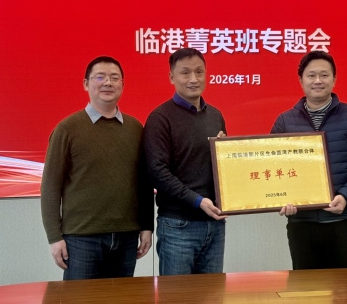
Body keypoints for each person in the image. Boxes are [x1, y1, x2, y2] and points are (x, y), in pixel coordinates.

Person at [40, 56, 154, 280]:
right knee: (80, 299)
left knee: (122, 299)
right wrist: (54, 237)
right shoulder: (67, 129)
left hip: (126, 236)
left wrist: (147, 226)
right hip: (81, 238)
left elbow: (144, 182)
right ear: (86, 84)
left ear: (123, 84)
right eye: (100, 77)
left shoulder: (135, 128)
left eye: (114, 78)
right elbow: (51, 187)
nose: (107, 83)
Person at [270, 51, 347, 269]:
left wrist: (346, 195)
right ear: (301, 80)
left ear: (334, 79)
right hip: (301, 225)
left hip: (344, 221)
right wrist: (282, 197)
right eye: (311, 75)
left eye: (324, 75)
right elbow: (273, 167)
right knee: (307, 289)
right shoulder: (284, 122)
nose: (318, 81)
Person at [144, 48, 227, 275]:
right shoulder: (160, 118)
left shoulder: (216, 116)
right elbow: (157, 172)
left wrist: (226, 154)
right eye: (185, 73)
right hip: (178, 225)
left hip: (215, 223)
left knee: (212, 294)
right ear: (172, 77)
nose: (193, 79)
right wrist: (197, 201)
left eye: (199, 72)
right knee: (177, 295)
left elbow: (223, 169)